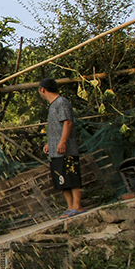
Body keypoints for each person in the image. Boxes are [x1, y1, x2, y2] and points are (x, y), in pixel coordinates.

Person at [38, 78, 83, 217]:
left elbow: (68, 123)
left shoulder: (61, 102)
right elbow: (56, 128)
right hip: (56, 151)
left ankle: (77, 206)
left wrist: (63, 141)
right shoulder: (52, 105)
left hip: (67, 149)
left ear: (42, 89)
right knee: (62, 178)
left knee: (72, 176)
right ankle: (70, 207)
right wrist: (50, 143)